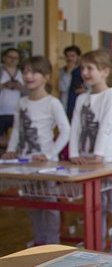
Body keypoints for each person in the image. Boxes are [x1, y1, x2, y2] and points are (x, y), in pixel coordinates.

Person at [1, 56, 70, 246]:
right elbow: (17, 129)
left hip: (45, 164)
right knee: (31, 202)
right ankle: (39, 240)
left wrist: (49, 154)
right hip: (25, 162)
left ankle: (52, 241)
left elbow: (66, 131)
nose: (28, 75)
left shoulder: (52, 102)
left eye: (34, 72)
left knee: (49, 203)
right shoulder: (22, 102)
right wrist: (11, 150)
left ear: (46, 77)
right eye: (25, 72)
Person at [68, 49, 112, 255]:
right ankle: (96, 247)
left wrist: (99, 155)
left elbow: (107, 125)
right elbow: (75, 126)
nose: (84, 72)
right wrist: (74, 153)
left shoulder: (111, 94)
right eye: (82, 68)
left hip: (109, 161)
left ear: (104, 71)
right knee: (95, 206)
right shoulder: (82, 98)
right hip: (88, 161)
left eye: (90, 68)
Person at [0, 48, 24, 137]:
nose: (13, 59)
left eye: (16, 58)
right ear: (4, 58)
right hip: (1, 112)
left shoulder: (23, 72)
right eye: (10, 57)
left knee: (17, 139)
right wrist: (5, 85)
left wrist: (20, 87)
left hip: (18, 112)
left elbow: (29, 91)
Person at [58, 45, 82, 118]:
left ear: (78, 57)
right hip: (65, 106)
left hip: (78, 106)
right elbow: (62, 88)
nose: (69, 58)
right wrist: (68, 72)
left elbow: (89, 88)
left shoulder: (82, 70)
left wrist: (83, 90)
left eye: (72, 56)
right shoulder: (62, 71)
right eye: (67, 56)